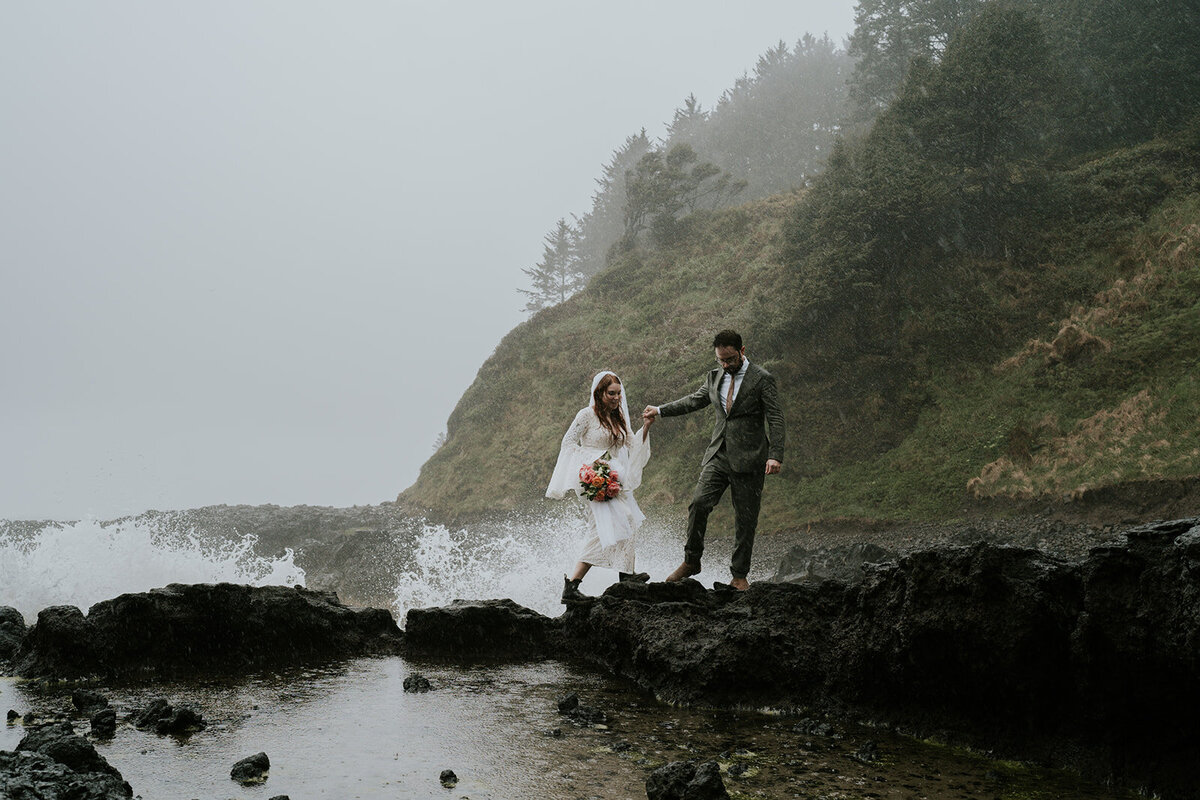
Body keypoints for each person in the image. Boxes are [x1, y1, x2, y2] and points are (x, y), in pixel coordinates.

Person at [643, 330, 784, 590]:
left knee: (745, 519)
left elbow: (775, 417)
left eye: (730, 359)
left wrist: (775, 455)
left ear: (743, 350)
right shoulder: (714, 376)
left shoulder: (762, 379)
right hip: (718, 455)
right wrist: (661, 410)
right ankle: (691, 561)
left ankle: (739, 576)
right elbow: (694, 401)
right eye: (721, 360)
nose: (726, 365)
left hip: (750, 459)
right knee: (698, 504)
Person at [547, 371, 654, 603]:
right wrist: (594, 464)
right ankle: (572, 586)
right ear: (600, 393)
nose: (616, 398)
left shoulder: (618, 417)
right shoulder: (586, 415)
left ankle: (626, 576)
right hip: (593, 480)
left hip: (614, 481)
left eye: (618, 393)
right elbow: (568, 443)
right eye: (611, 394)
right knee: (602, 528)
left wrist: (645, 427)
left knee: (629, 521)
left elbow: (632, 446)